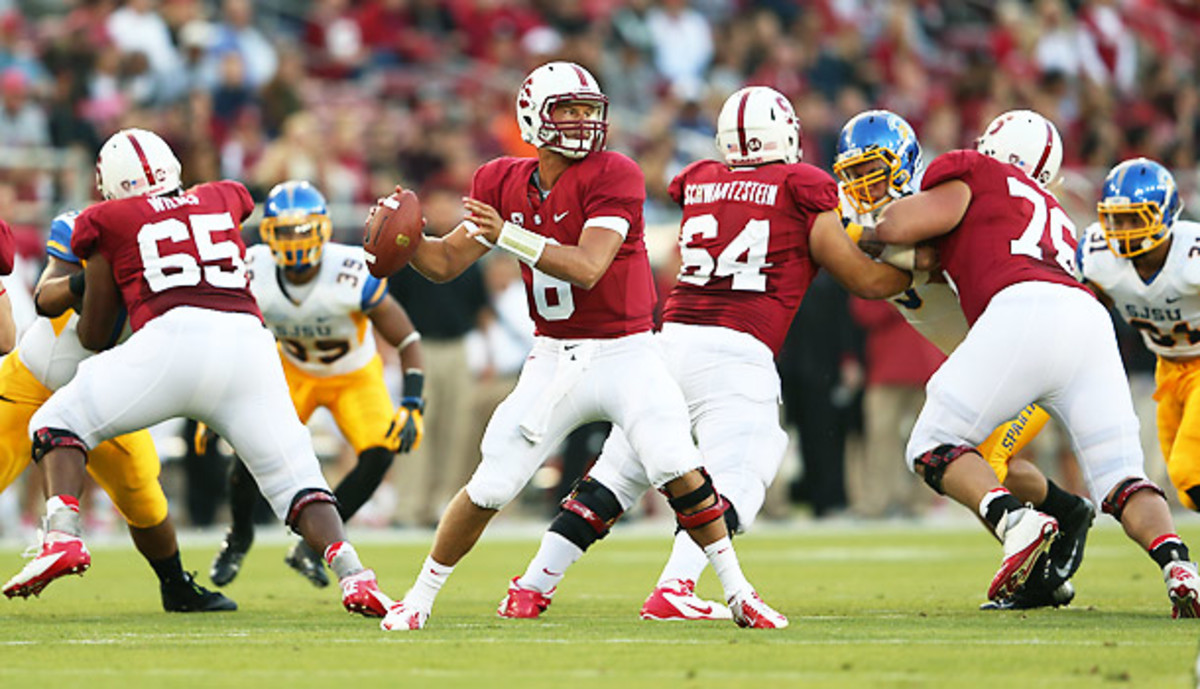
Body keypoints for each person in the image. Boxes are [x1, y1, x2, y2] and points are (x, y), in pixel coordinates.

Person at [380, 62, 788, 631]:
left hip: (627, 351)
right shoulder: (499, 179)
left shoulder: (613, 173)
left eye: (588, 110)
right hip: (554, 356)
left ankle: (740, 592)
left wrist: (508, 235)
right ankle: (418, 600)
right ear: (532, 116)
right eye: (566, 110)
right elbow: (446, 262)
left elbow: (589, 266)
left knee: (675, 461)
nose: (580, 121)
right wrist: (406, 240)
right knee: (492, 482)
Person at [503, 85, 913, 622]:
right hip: (737, 352)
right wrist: (915, 270)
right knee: (742, 470)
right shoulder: (800, 185)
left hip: (665, 345)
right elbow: (862, 279)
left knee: (618, 473)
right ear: (786, 134)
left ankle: (531, 586)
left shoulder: (701, 180)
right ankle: (676, 585)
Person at [2, 128, 392, 618]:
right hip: (243, 343)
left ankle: (64, 537)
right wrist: (88, 279)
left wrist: (110, 273)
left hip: (160, 349)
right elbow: (45, 298)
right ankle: (355, 574)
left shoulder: (104, 219)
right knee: (295, 476)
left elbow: (96, 335)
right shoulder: (217, 197)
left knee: (73, 438)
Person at [873, 109, 1200, 617]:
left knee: (932, 446)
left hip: (1022, 312)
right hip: (1087, 323)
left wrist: (869, 227)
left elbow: (896, 226)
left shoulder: (976, 173)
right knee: (1122, 478)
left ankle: (1016, 523)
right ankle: (1178, 564)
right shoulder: (1054, 216)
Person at [833, 109, 1094, 609]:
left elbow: (915, 265)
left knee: (975, 460)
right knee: (982, 463)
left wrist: (851, 238)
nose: (864, 184)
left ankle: (1046, 549)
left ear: (904, 164)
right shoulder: (868, 218)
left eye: (874, 169)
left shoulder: (935, 204)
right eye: (854, 173)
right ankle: (1064, 518)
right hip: (985, 360)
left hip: (1026, 356)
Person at [0, 210, 235, 612]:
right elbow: (46, 298)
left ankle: (175, 585)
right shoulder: (85, 229)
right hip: (32, 381)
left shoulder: (177, 253)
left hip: (100, 389)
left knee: (144, 495)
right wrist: (89, 279)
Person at [209, 180, 425, 588]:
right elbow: (227, 336)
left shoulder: (350, 270)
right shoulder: (252, 269)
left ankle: (314, 545)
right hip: (292, 373)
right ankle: (238, 537)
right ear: (268, 232)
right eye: (284, 230)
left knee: (380, 452)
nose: (293, 240)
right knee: (248, 452)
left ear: (322, 229)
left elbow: (408, 339)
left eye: (302, 229)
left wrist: (413, 401)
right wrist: (213, 403)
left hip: (353, 376)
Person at [1077, 159, 1200, 519]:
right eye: (1116, 219)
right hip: (1168, 371)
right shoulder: (1100, 260)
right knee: (1187, 490)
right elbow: (1083, 311)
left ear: (1165, 215)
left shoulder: (1191, 257)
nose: (1123, 229)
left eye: (1135, 218)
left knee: (1188, 471)